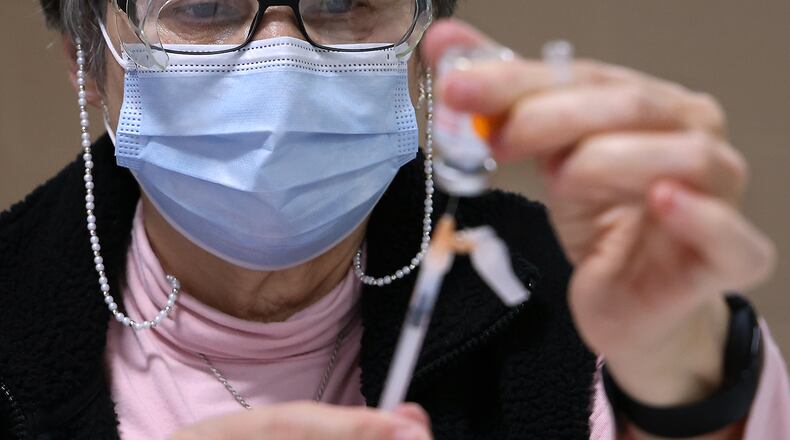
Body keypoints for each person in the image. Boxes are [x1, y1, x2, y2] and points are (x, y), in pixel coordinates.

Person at [1, 0, 788, 438]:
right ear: (86, 55)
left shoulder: (570, 306)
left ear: (420, 40)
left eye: (343, 2)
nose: (284, 60)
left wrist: (681, 374)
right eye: (204, 5)